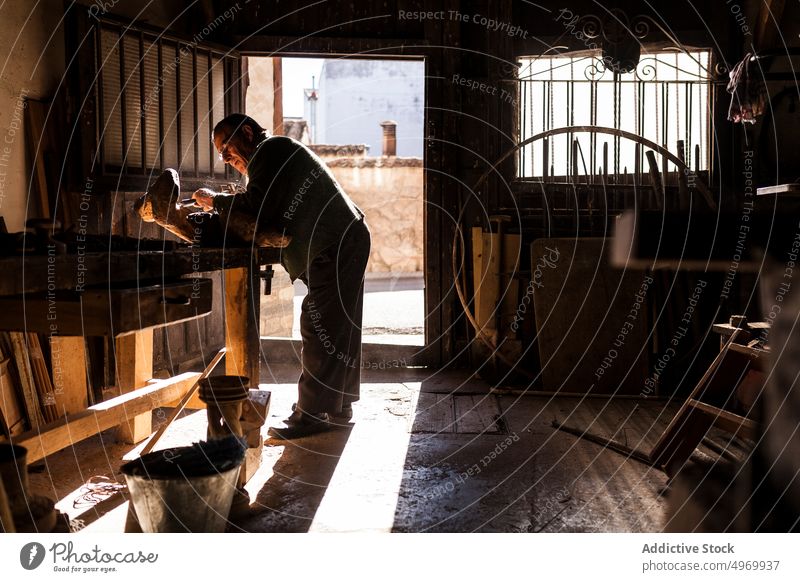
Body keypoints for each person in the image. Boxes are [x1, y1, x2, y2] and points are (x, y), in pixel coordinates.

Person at [193, 113, 370, 439]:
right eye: (221, 155)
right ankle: (338, 407)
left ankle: (312, 414)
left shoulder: (272, 149)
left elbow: (258, 206)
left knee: (318, 324)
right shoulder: (269, 159)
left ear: (247, 132)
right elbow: (262, 203)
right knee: (337, 325)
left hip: (335, 240)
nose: (226, 158)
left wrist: (214, 201)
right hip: (346, 237)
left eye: (226, 148)